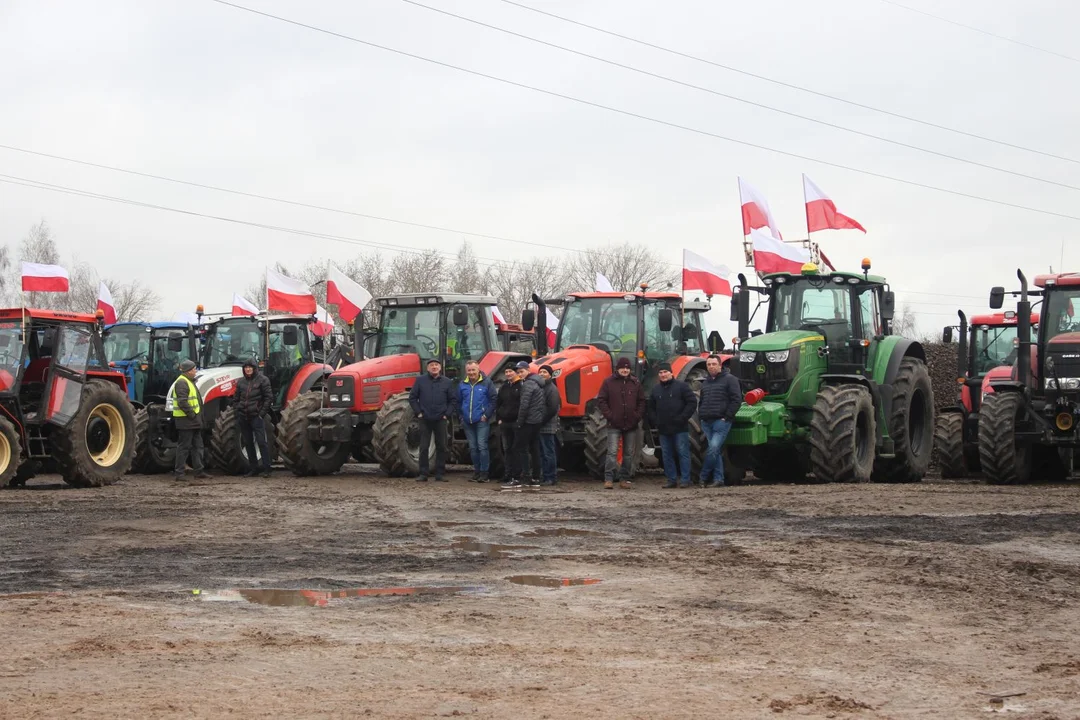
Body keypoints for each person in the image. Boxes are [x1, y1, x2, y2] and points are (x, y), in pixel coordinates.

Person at [596, 356, 645, 489]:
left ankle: (624, 478)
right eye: (622, 368)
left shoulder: (635, 383)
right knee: (612, 452)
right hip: (614, 424)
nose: (625, 370)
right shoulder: (608, 382)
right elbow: (601, 400)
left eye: (627, 368)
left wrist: (637, 416)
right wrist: (610, 416)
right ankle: (609, 478)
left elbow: (641, 401)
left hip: (631, 424)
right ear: (617, 369)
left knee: (628, 453)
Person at [647, 362, 698, 488]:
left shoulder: (682, 387)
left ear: (671, 373)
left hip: (680, 428)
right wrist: (656, 421)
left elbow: (691, 403)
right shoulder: (656, 389)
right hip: (663, 429)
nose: (663, 375)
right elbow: (650, 408)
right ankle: (671, 479)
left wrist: (682, 418)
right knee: (666, 454)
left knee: (683, 453)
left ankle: (686, 479)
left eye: (665, 372)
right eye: (661, 373)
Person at [409, 358, 457, 482]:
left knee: (442, 446)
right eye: (431, 365)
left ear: (440, 368)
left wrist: (447, 414)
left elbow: (452, 400)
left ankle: (440, 474)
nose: (434, 367)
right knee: (424, 447)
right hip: (425, 419)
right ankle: (423, 473)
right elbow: (413, 398)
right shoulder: (420, 381)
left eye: (436, 365)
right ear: (427, 368)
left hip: (441, 419)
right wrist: (418, 413)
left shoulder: (447, 382)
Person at [698, 355, 741, 487]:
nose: (711, 367)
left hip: (721, 422)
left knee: (713, 448)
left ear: (720, 365)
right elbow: (702, 400)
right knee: (715, 451)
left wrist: (727, 417)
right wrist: (701, 415)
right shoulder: (706, 382)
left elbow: (736, 400)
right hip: (706, 422)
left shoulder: (730, 380)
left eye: (713, 364)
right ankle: (718, 479)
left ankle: (703, 476)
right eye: (709, 364)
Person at [171, 359, 211, 480]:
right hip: (186, 421)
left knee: (198, 446)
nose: (195, 371)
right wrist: (192, 415)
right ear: (188, 371)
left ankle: (199, 471)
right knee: (184, 447)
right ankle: (179, 473)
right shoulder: (182, 383)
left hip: (193, 422)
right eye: (194, 369)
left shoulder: (189, 381)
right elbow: (182, 402)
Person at [235, 358, 273, 478]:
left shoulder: (263, 380)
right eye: (246, 367)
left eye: (250, 367)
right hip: (243, 416)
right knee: (248, 443)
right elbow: (236, 399)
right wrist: (237, 411)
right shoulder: (241, 382)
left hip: (256, 416)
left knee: (261, 442)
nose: (248, 369)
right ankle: (253, 468)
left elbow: (268, 398)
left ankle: (267, 468)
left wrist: (261, 414)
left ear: (255, 368)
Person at [458, 360, 495, 483]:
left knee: (482, 446)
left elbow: (493, 400)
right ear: (466, 371)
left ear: (478, 370)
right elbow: (458, 401)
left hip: (481, 420)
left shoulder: (487, 383)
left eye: (473, 370)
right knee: (473, 448)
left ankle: (485, 473)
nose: (471, 372)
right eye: (469, 370)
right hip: (467, 421)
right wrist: (461, 416)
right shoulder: (463, 384)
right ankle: (477, 471)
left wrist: (486, 415)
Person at [511, 362, 546, 488]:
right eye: (518, 372)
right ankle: (536, 476)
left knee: (519, 449)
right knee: (534, 449)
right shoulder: (539, 383)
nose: (520, 374)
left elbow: (524, 405)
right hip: (537, 420)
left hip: (528, 421)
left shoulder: (528, 384)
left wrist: (519, 422)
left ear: (528, 370)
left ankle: (522, 476)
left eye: (522, 372)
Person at [495, 365, 523, 484]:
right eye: (506, 371)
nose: (508, 374)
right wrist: (499, 418)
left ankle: (516, 475)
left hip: (516, 422)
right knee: (507, 449)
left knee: (516, 449)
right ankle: (507, 474)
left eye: (510, 371)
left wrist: (520, 420)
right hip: (505, 422)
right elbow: (499, 403)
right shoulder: (504, 387)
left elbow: (523, 404)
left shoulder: (521, 386)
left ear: (516, 373)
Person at [537, 364, 561, 486]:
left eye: (544, 372)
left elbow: (552, 409)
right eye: (540, 372)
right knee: (542, 452)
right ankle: (545, 476)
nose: (542, 374)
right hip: (540, 425)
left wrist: (540, 421)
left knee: (548, 452)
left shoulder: (552, 389)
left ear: (550, 375)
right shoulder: (540, 387)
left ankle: (551, 477)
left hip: (547, 425)